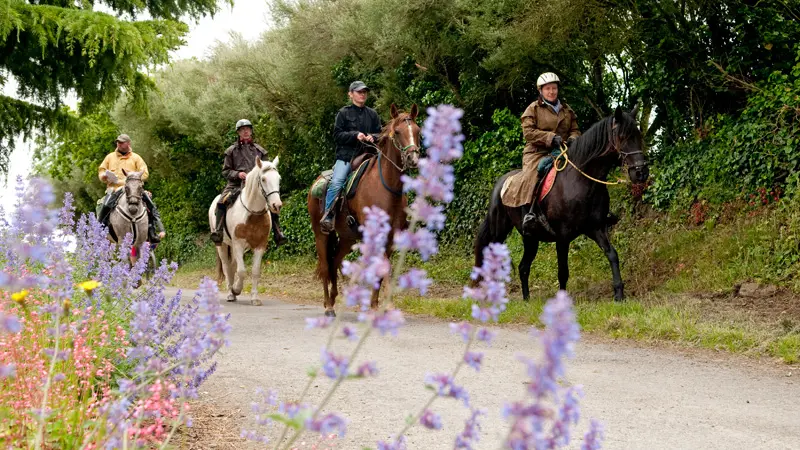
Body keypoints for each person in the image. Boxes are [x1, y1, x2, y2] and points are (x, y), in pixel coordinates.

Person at [519, 72, 581, 232]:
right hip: (537, 152)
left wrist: (574, 138)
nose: (552, 92)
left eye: (554, 88)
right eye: (548, 89)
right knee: (536, 172)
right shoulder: (533, 108)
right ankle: (530, 213)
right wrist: (550, 138)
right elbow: (528, 133)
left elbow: (575, 129)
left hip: (563, 151)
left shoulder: (567, 110)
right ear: (541, 90)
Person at [210, 119, 287, 246]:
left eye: (248, 129)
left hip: (257, 186)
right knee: (221, 202)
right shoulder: (231, 151)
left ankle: (278, 232)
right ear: (238, 132)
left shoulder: (260, 151)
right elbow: (225, 171)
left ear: (251, 131)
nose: (245, 131)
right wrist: (237, 174)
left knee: (272, 203)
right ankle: (218, 232)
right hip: (235, 184)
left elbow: (267, 170)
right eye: (242, 129)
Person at [319, 80, 382, 234]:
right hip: (347, 156)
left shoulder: (372, 114)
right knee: (337, 181)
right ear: (350, 94)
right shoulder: (343, 113)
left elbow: (380, 133)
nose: (362, 94)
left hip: (369, 154)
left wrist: (373, 137)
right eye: (359, 91)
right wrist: (356, 135)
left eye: (364, 92)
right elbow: (337, 135)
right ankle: (328, 215)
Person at [97, 134, 165, 242]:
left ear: (128, 143)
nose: (119, 144)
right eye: (118, 142)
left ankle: (152, 231)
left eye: (122, 142)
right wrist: (103, 176)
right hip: (114, 189)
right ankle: (99, 229)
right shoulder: (109, 157)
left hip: (134, 188)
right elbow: (101, 171)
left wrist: (134, 178)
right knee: (106, 205)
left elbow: (145, 173)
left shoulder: (136, 158)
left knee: (150, 203)